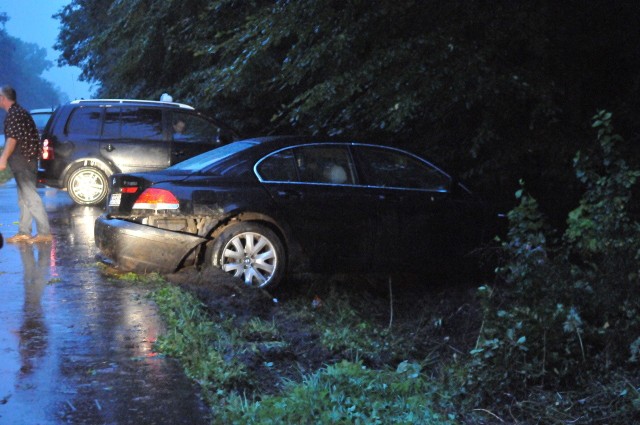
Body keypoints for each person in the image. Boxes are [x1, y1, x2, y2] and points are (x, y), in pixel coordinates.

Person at [0, 85, 52, 244]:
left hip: (24, 161)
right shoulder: (20, 112)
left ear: (3, 98)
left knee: (30, 196)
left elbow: (12, 140)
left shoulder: (15, 114)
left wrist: (2, 159)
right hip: (25, 161)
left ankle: (44, 233)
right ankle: (24, 231)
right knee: (24, 198)